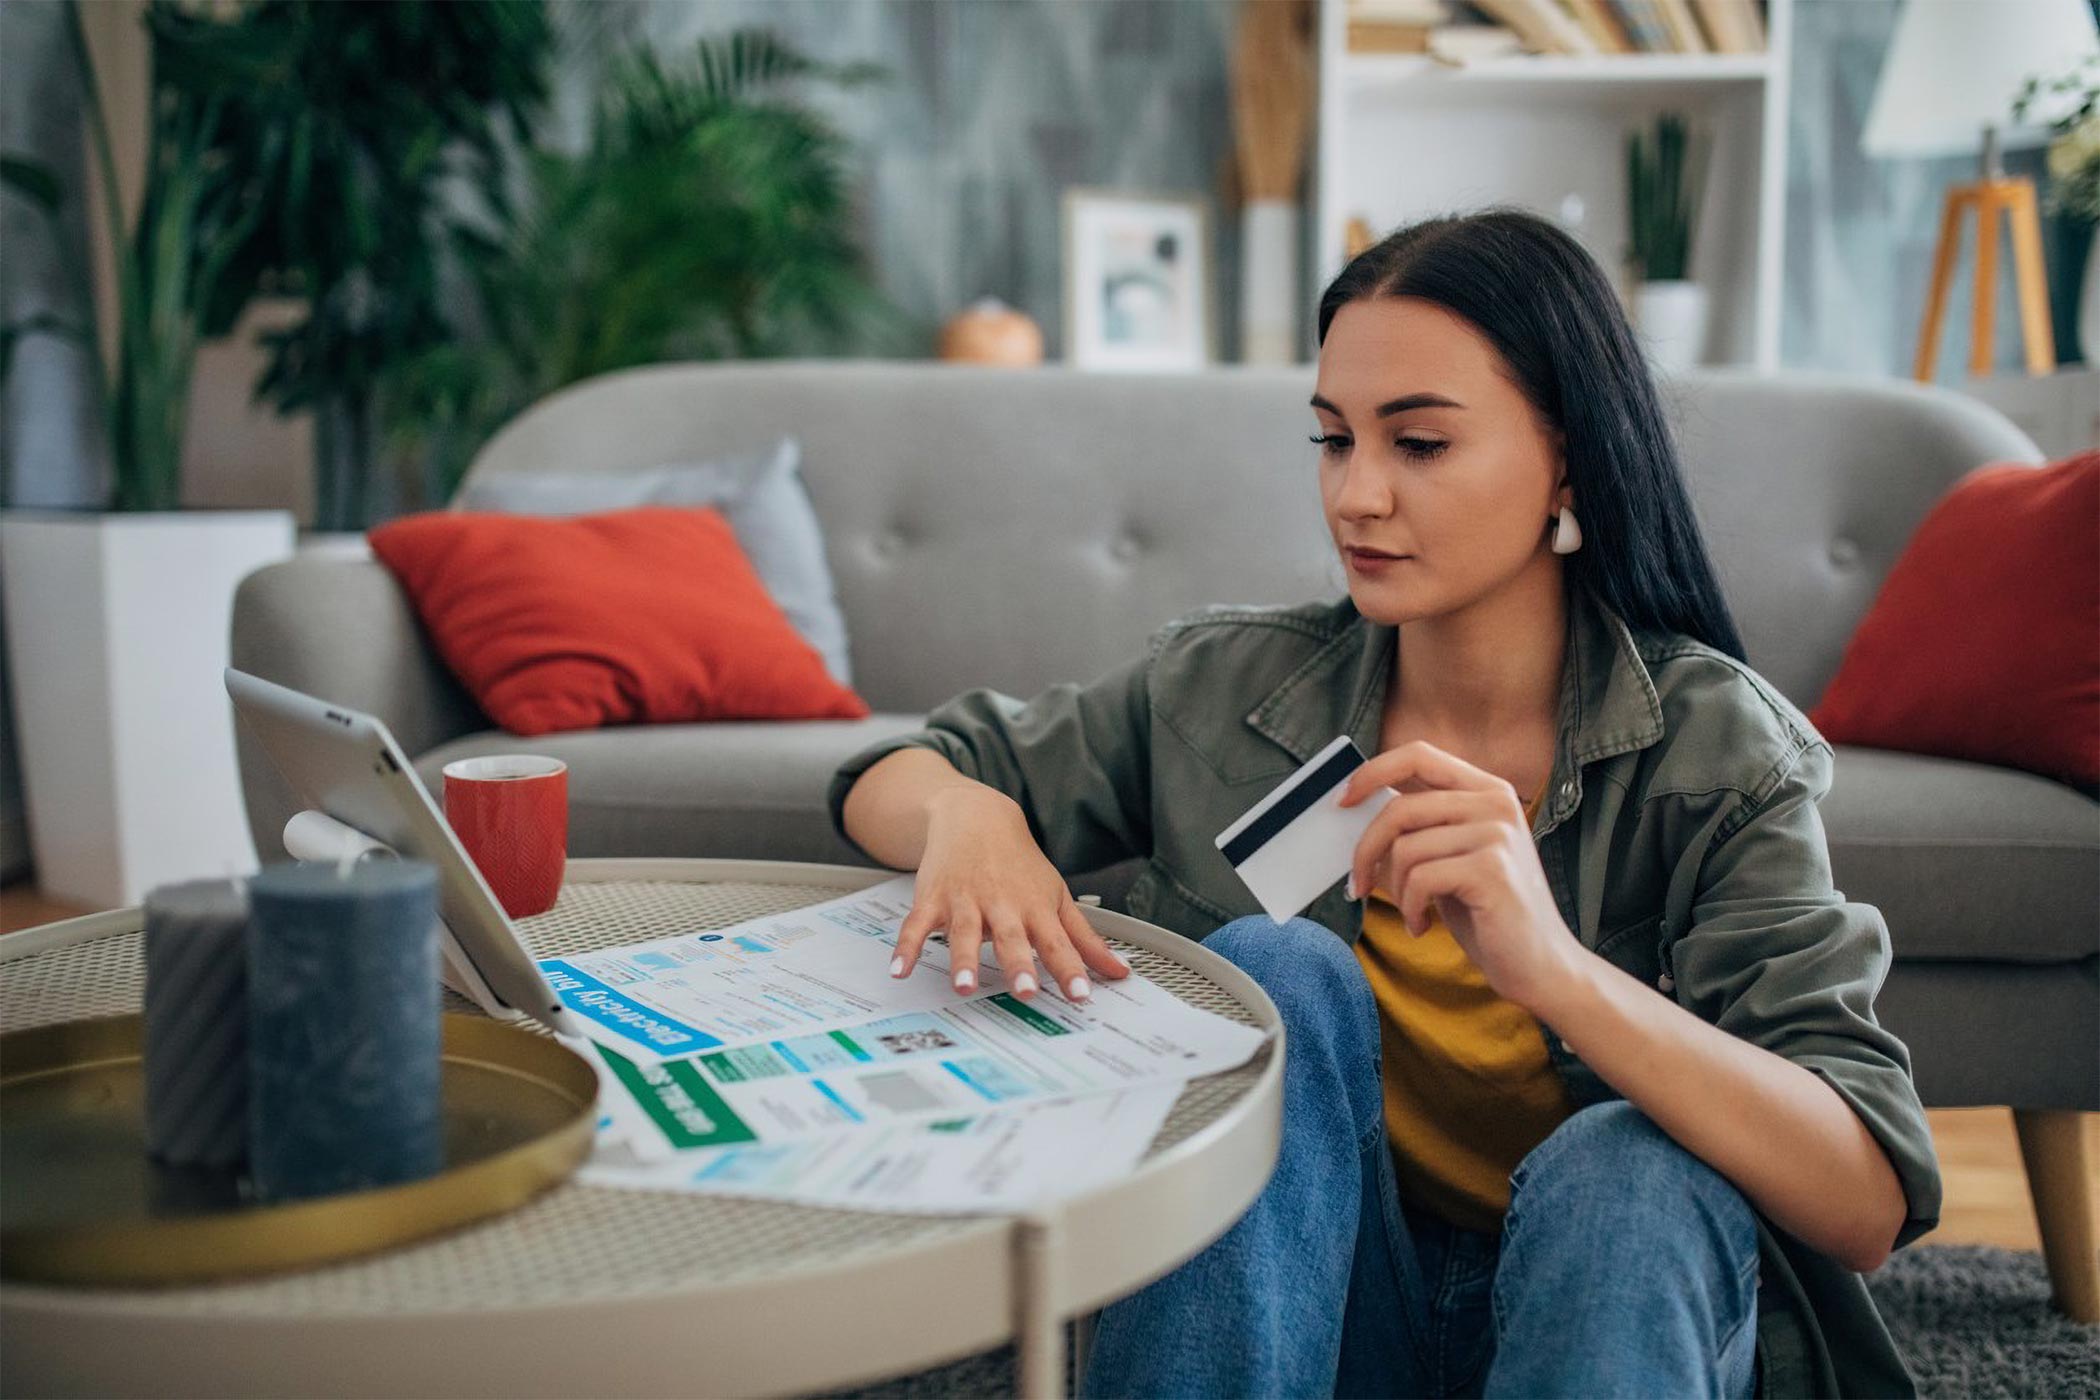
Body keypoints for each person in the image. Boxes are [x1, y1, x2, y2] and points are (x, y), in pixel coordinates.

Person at [825, 207, 1942, 1399]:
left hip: (1601, 1317)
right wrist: (973, 818)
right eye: (1332, 438)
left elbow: (1866, 1196)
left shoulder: (1720, 753)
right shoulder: (1229, 688)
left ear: (1568, 458)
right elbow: (900, 770)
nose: (1356, 496)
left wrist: (1555, 968)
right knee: (1270, 969)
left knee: (1632, 1167)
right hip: (1332, 1316)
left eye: (1417, 443)